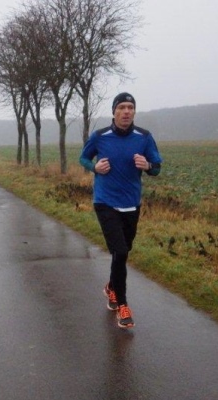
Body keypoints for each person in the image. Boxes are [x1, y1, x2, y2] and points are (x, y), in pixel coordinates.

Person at [79, 92, 162, 328]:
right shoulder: (100, 136)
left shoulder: (144, 137)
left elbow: (157, 168)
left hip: (132, 204)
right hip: (105, 202)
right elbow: (83, 158)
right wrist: (95, 167)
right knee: (121, 250)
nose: (126, 111)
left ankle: (111, 286)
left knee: (123, 252)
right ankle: (122, 307)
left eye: (130, 107)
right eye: (122, 107)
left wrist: (148, 165)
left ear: (134, 112)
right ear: (114, 111)